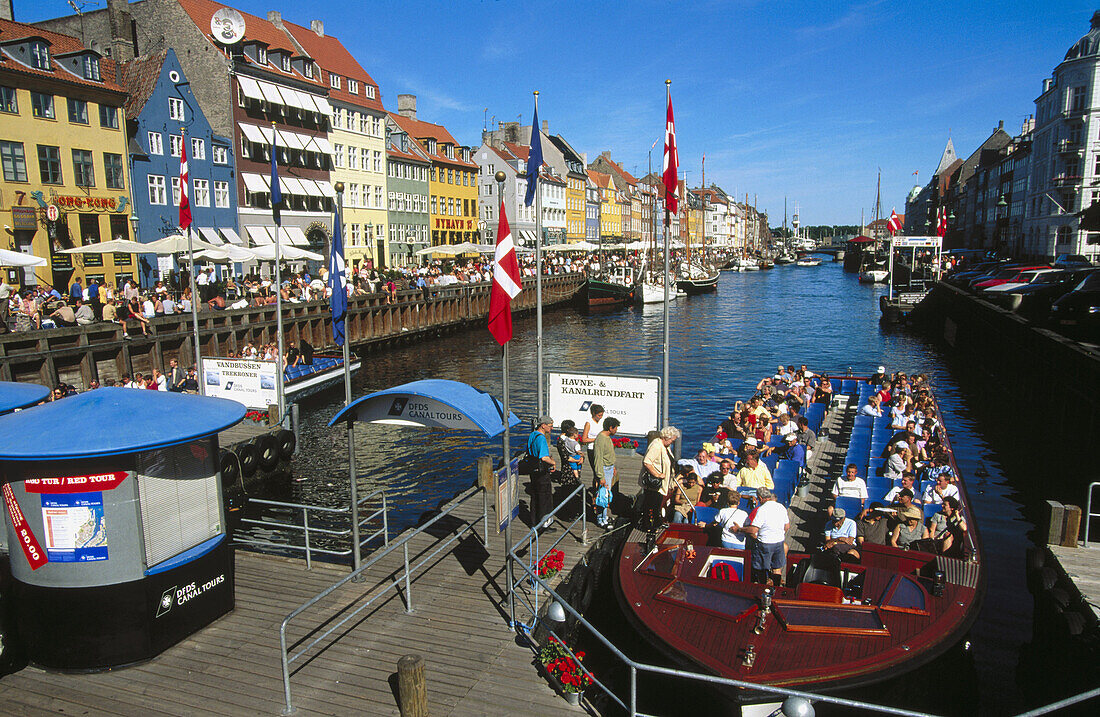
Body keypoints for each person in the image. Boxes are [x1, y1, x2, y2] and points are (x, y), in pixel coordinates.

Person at [743, 487, 789, 586]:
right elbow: (787, 526)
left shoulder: (762, 509)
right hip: (779, 542)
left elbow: (753, 530)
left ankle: (762, 588)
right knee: (777, 569)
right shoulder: (781, 507)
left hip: (765, 543)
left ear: (760, 498)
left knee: (761, 569)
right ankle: (776, 589)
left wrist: (740, 529)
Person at [641, 426, 678, 530]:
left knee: (657, 504)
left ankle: (656, 523)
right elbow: (647, 462)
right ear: (666, 437)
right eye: (672, 440)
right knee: (651, 504)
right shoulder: (656, 446)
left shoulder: (665, 446)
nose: (672, 442)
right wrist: (657, 475)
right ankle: (648, 526)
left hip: (661, 483)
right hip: (654, 483)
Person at [527, 415, 557, 529]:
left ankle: (534, 522)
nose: (552, 428)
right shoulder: (541, 438)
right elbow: (544, 457)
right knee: (545, 498)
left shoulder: (532, 435)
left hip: (533, 470)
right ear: (543, 426)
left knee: (535, 497)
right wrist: (553, 462)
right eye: (550, 426)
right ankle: (544, 524)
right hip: (541, 472)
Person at [592, 416, 620, 514]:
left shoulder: (607, 438)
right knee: (603, 496)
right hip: (604, 470)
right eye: (615, 427)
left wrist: (613, 466)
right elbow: (598, 458)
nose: (616, 430)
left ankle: (604, 517)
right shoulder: (601, 439)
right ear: (610, 428)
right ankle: (601, 519)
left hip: (609, 468)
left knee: (607, 495)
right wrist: (601, 476)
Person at [580, 404, 605, 488]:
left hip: (601, 449)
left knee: (601, 472)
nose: (600, 417)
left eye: (601, 415)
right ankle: (596, 492)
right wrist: (596, 439)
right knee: (596, 472)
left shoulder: (601, 422)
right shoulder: (588, 423)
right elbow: (584, 439)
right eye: (599, 415)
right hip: (592, 449)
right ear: (594, 413)